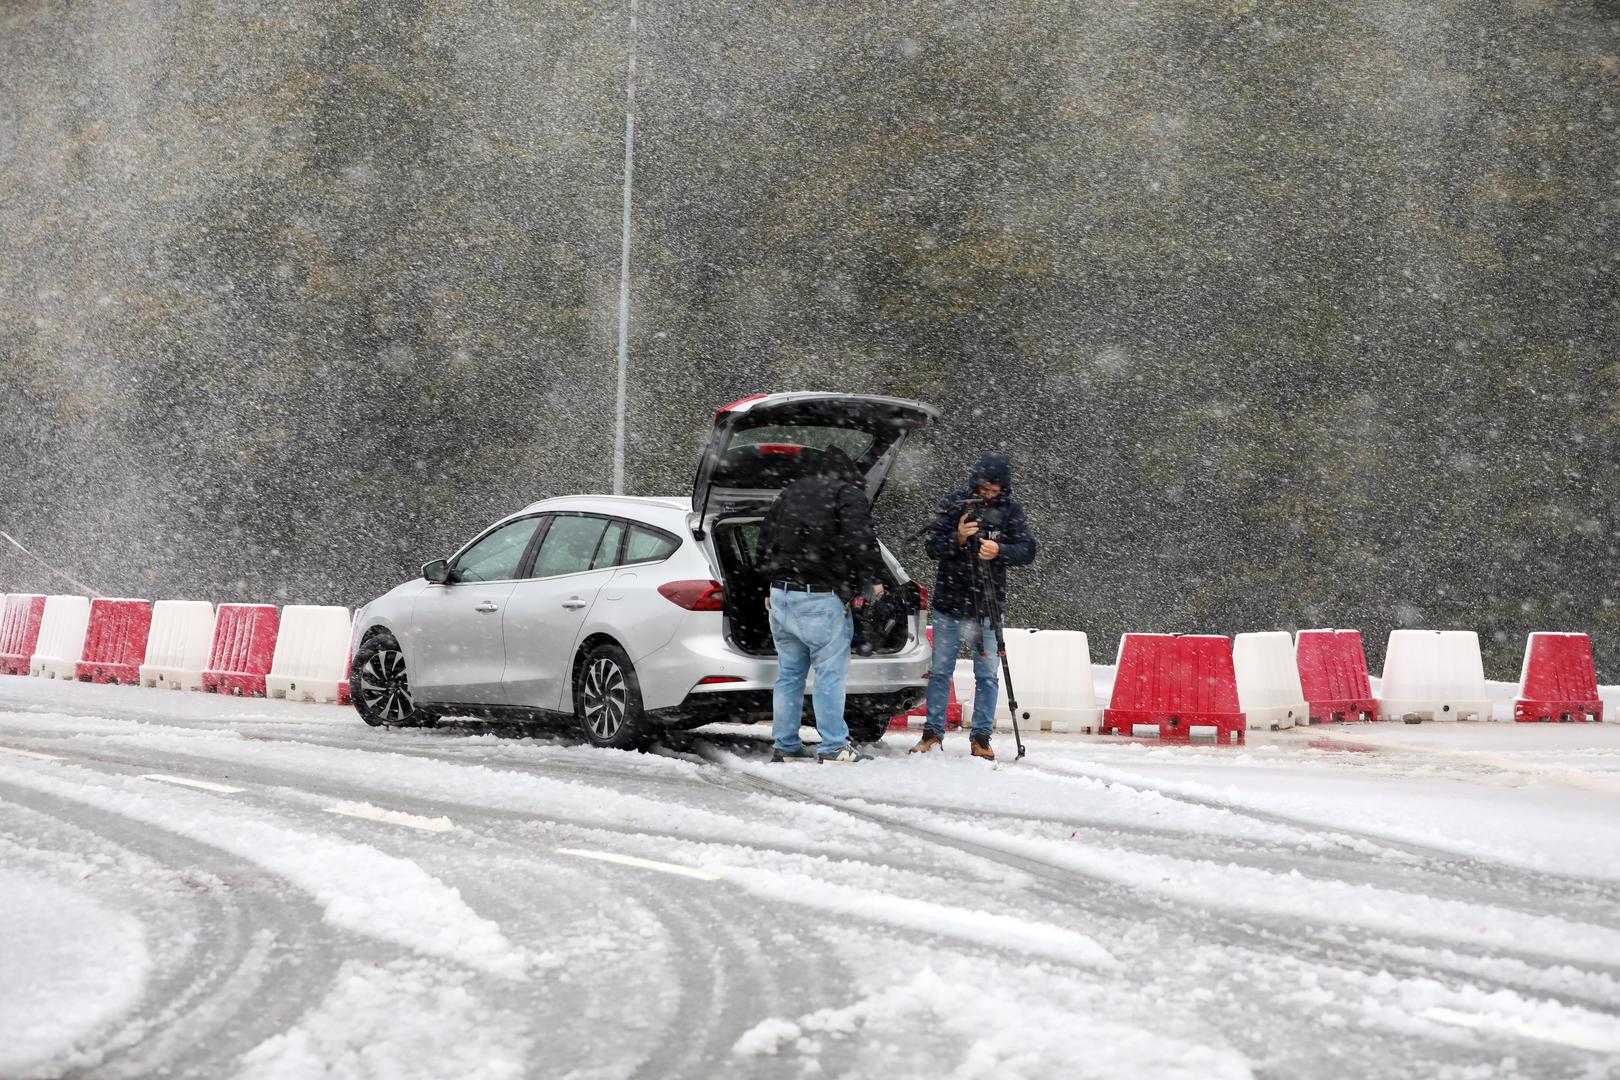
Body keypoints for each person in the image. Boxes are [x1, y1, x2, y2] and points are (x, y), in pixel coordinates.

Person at [759, 446, 888, 763]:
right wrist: (872, 577)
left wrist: (768, 583)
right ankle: (833, 746)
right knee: (829, 676)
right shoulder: (846, 494)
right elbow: (860, 538)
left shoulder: (791, 492)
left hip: (781, 595)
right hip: (819, 597)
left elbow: (765, 538)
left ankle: (785, 744)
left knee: (789, 675)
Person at [910, 451, 1036, 761]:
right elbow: (931, 547)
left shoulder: (1010, 510)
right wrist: (957, 538)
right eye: (984, 489)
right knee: (940, 672)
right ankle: (932, 733)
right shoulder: (956, 504)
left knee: (988, 675)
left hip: (988, 606)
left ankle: (981, 737)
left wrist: (1000, 550)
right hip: (949, 604)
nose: (989, 495)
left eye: (995, 490)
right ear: (975, 484)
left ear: (1004, 488)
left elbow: (1028, 549)